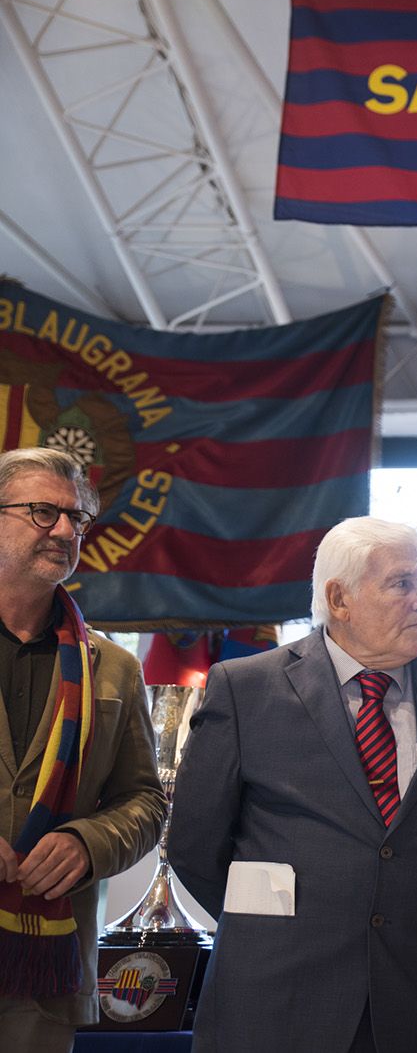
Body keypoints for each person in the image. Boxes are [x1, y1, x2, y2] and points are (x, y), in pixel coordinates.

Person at [168, 517, 417, 1053]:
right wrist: (283, 925)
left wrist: (413, 909)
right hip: (275, 1002)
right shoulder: (246, 689)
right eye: (402, 584)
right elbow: (195, 846)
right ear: (339, 598)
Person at [0, 447, 165, 1051]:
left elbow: (145, 801)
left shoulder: (115, 668)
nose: (67, 530)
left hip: (45, 970)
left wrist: (87, 843)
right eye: (45, 512)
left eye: (79, 518)